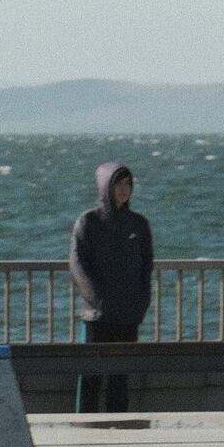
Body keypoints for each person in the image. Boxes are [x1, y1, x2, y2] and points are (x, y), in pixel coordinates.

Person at [69, 161, 154, 413]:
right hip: (98, 316)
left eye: (128, 183)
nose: (124, 189)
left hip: (129, 315)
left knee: (121, 376)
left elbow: (146, 267)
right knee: (91, 375)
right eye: (118, 183)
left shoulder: (138, 224)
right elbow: (78, 265)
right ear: (105, 186)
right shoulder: (88, 222)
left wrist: (141, 302)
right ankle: (86, 426)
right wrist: (99, 301)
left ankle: (120, 427)